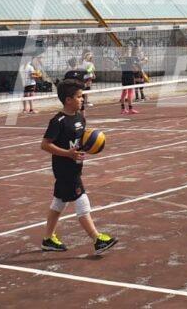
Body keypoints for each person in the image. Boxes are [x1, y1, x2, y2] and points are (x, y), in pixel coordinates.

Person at [40, 79, 118, 254]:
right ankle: (97, 239)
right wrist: (68, 153)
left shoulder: (80, 118)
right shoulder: (58, 121)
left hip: (75, 166)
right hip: (64, 169)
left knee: (59, 202)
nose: (82, 99)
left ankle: (48, 239)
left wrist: (89, 145)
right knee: (81, 199)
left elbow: (81, 141)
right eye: (79, 97)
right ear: (68, 100)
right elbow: (45, 145)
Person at [118, 46, 139, 115]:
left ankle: (123, 109)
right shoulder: (130, 59)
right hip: (130, 76)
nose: (130, 51)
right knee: (130, 92)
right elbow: (135, 70)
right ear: (127, 51)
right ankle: (130, 109)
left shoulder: (121, 58)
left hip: (124, 76)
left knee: (124, 92)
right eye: (129, 50)